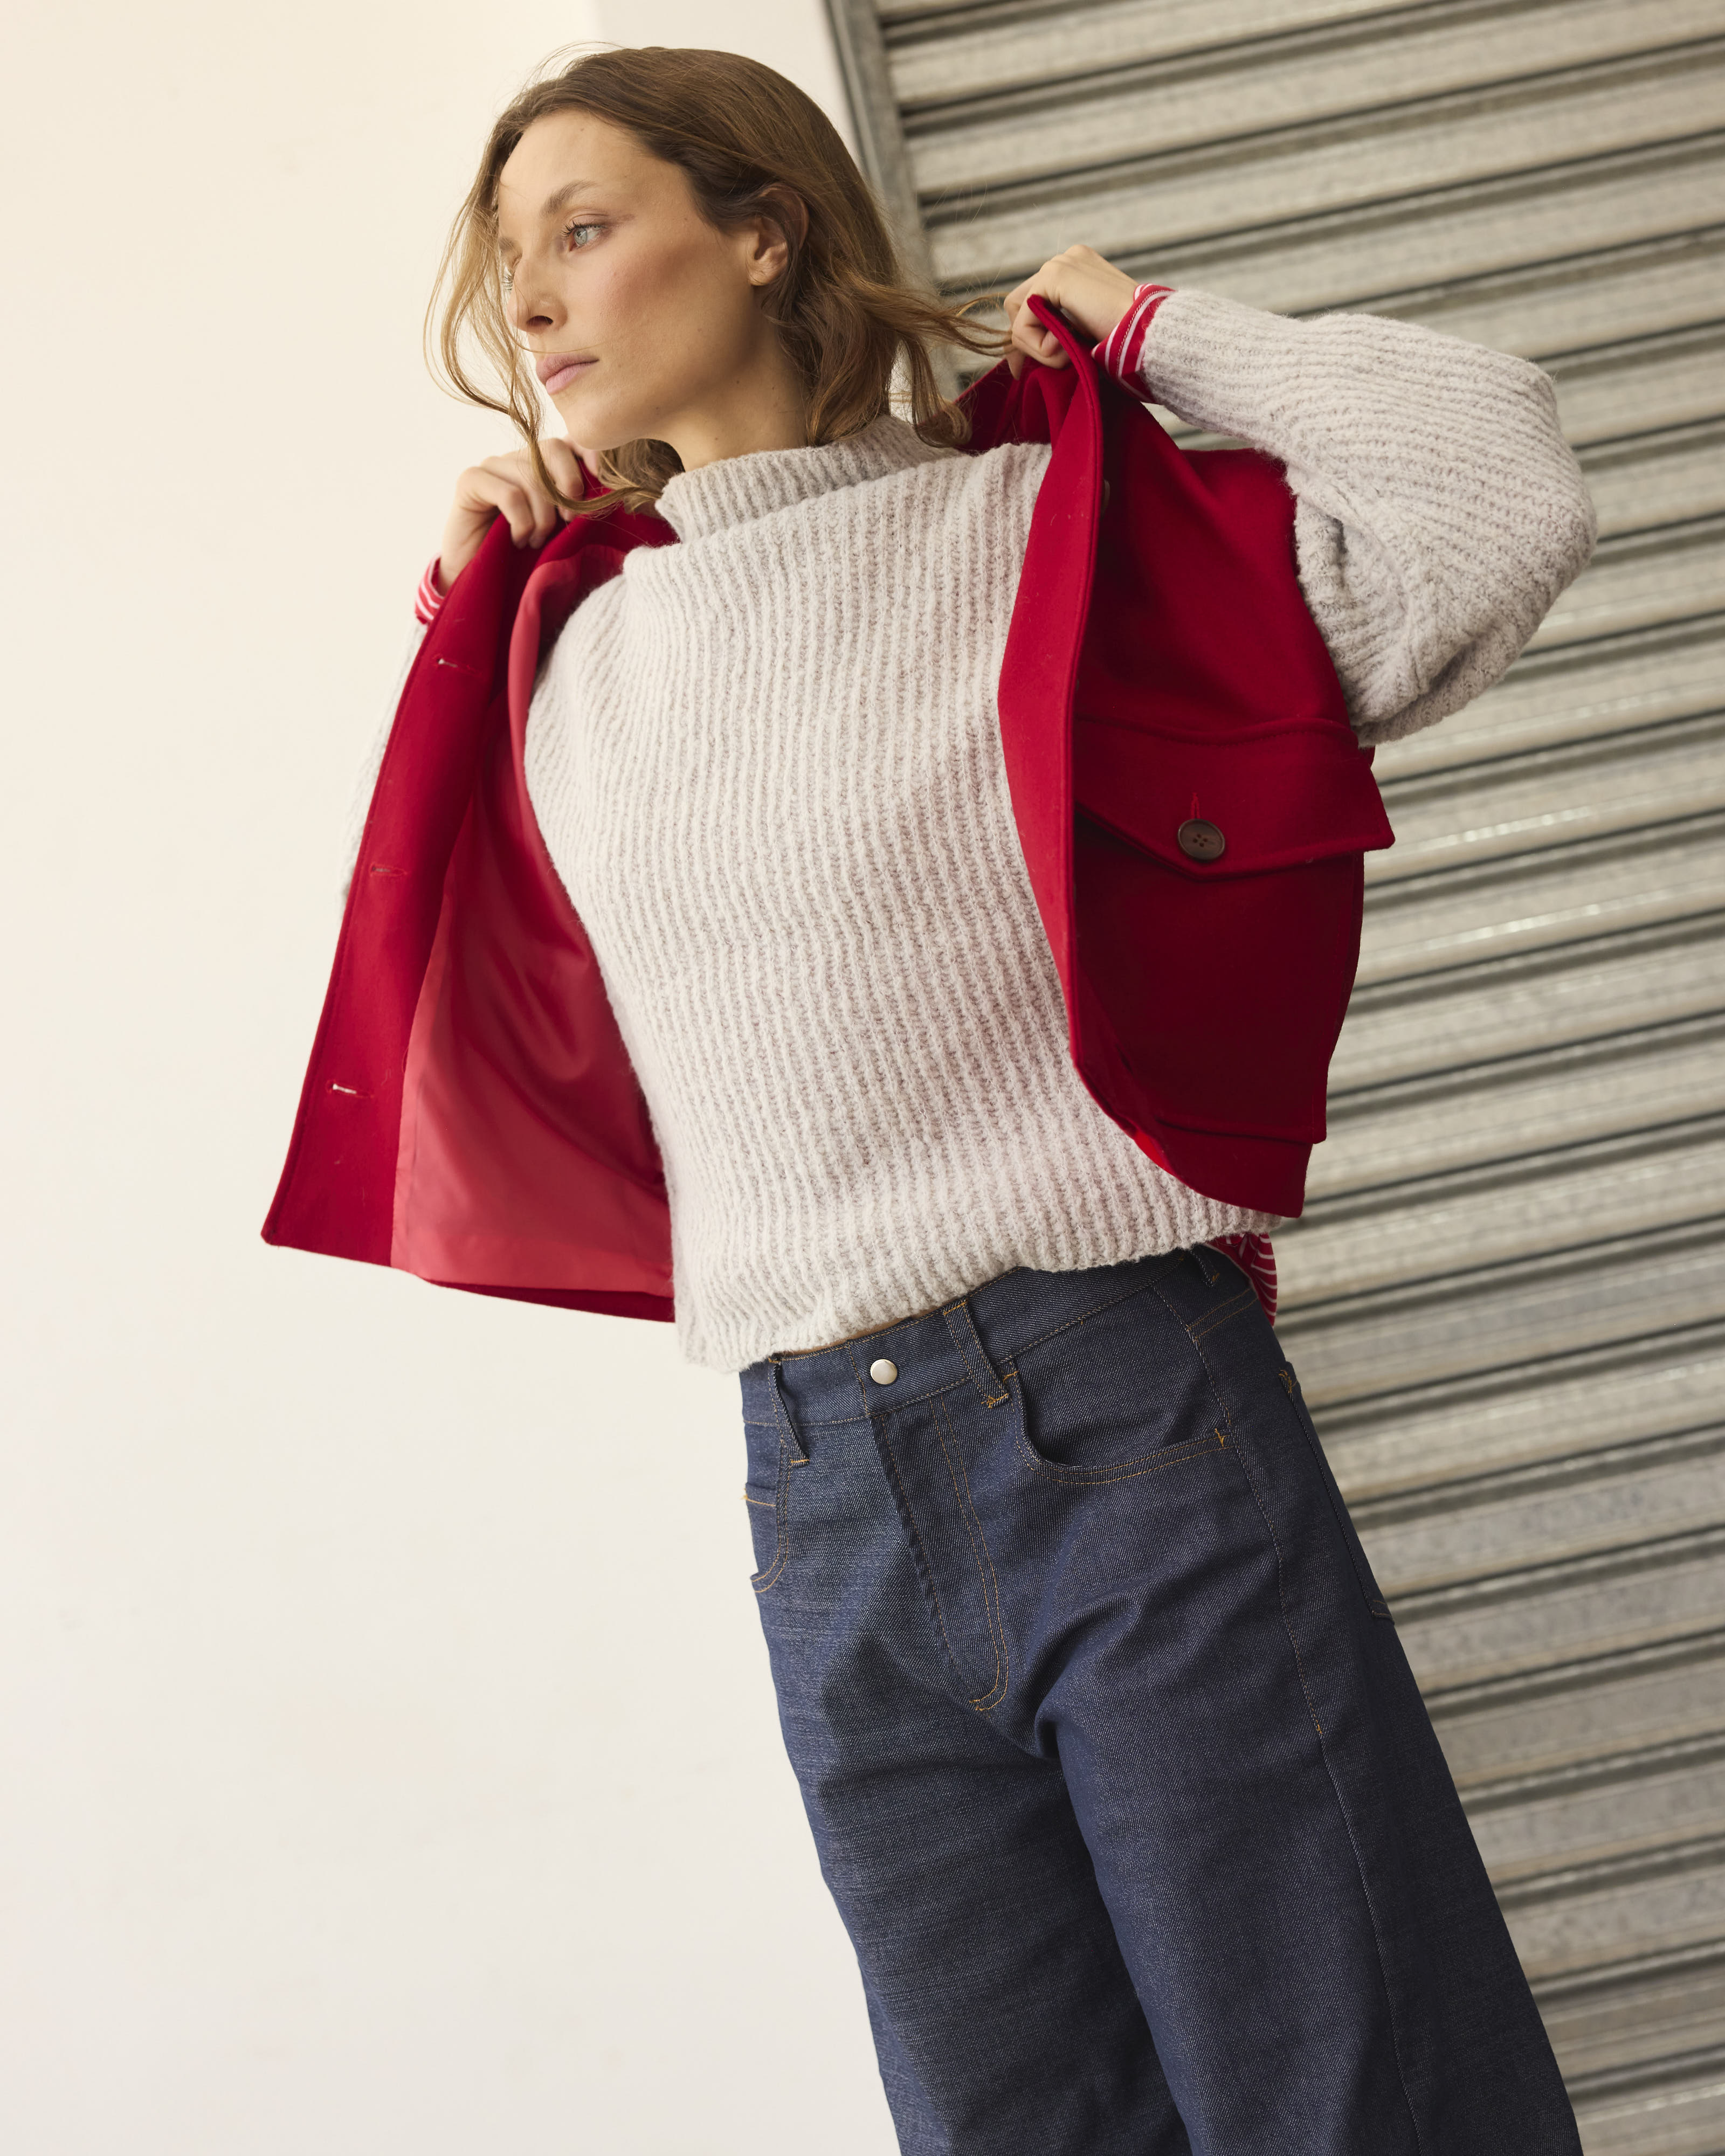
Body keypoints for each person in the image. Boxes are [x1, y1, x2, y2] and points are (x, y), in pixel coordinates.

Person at [310, 42, 1598, 2154]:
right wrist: (472, 602)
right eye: (506, 259)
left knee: (1347, 2103)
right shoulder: (575, 649)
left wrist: (1157, 330)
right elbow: (516, 990)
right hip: (816, 1489)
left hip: (1122, 1418)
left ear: (762, 230)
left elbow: (1492, 487)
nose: (527, 303)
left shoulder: (1042, 545)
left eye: (583, 230)